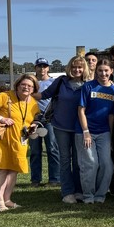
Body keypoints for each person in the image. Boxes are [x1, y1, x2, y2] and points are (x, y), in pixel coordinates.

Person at [0, 74, 41, 212]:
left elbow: (34, 117)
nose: (26, 87)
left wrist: (34, 124)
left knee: (13, 170)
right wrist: (1, 118)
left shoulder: (33, 103)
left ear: (34, 89)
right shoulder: (5, 96)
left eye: (30, 86)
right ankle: (0, 202)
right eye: (23, 84)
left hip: (20, 140)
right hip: (3, 139)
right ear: (17, 85)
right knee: (0, 169)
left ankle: (8, 199)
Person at [39, 56, 90, 203]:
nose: (76, 70)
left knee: (79, 160)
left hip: (80, 128)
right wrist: (24, 95)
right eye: (74, 67)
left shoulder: (88, 84)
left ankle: (79, 190)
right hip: (61, 126)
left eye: (80, 67)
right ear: (69, 68)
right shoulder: (61, 81)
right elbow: (45, 95)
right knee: (65, 159)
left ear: (84, 68)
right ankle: (67, 192)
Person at [76, 60, 114, 204]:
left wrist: (111, 136)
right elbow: (81, 110)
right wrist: (86, 132)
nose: (103, 74)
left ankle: (100, 194)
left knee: (107, 165)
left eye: (106, 70)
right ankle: (88, 195)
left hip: (104, 133)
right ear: (96, 71)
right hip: (85, 131)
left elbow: (111, 116)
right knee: (91, 163)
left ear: (111, 71)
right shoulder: (88, 86)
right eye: (100, 70)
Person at [30, 59, 59, 187]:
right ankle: (35, 180)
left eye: (44, 66)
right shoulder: (30, 82)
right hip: (33, 120)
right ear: (35, 68)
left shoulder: (53, 82)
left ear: (48, 68)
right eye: (39, 66)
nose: (42, 69)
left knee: (52, 148)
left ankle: (55, 179)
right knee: (35, 151)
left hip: (49, 119)